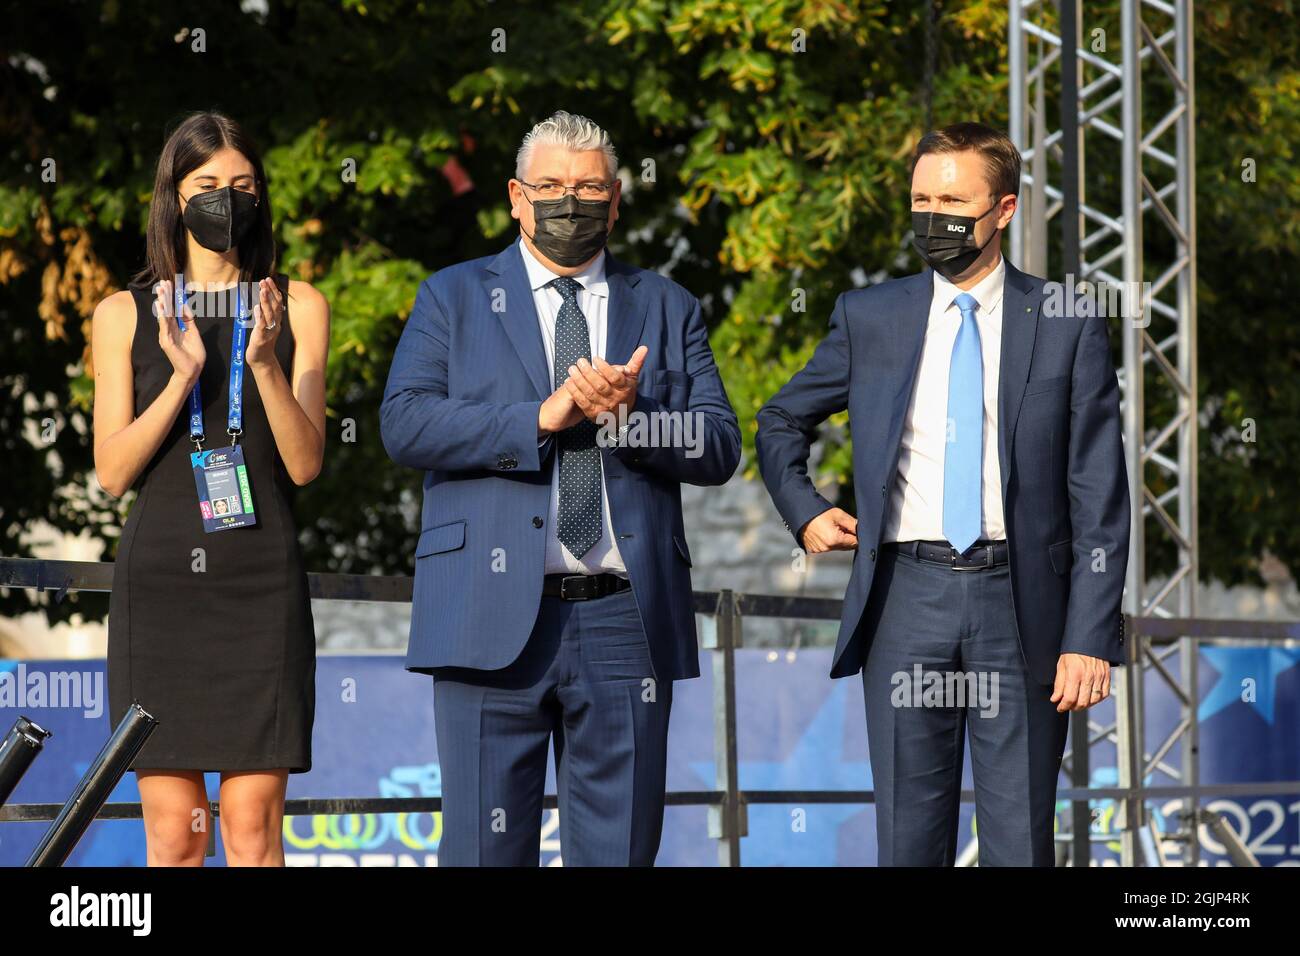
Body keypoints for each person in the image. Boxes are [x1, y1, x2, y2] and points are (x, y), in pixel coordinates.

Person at [755, 121, 1130, 866]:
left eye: (953, 201)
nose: (934, 218)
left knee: (1021, 841)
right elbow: (778, 419)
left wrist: (1090, 637)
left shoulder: (1065, 321)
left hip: (1021, 606)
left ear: (1005, 209)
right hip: (905, 600)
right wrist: (805, 511)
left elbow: (1100, 496)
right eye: (922, 199)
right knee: (908, 839)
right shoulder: (871, 317)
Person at [381, 110, 740, 866]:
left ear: (616, 202)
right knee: (483, 852)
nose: (568, 203)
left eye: (588, 188)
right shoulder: (452, 296)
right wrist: (538, 418)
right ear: (515, 197)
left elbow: (718, 445)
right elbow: (405, 424)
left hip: (624, 625)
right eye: (549, 186)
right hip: (485, 621)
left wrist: (632, 421)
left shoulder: (666, 305)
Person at [92, 111, 330, 866]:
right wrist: (183, 375)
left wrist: (261, 364)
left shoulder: (298, 307)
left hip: (259, 585)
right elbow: (112, 471)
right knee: (174, 836)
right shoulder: (122, 314)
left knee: (253, 831)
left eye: (242, 186)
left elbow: (305, 465)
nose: (225, 200)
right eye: (206, 186)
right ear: (174, 195)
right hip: (161, 587)